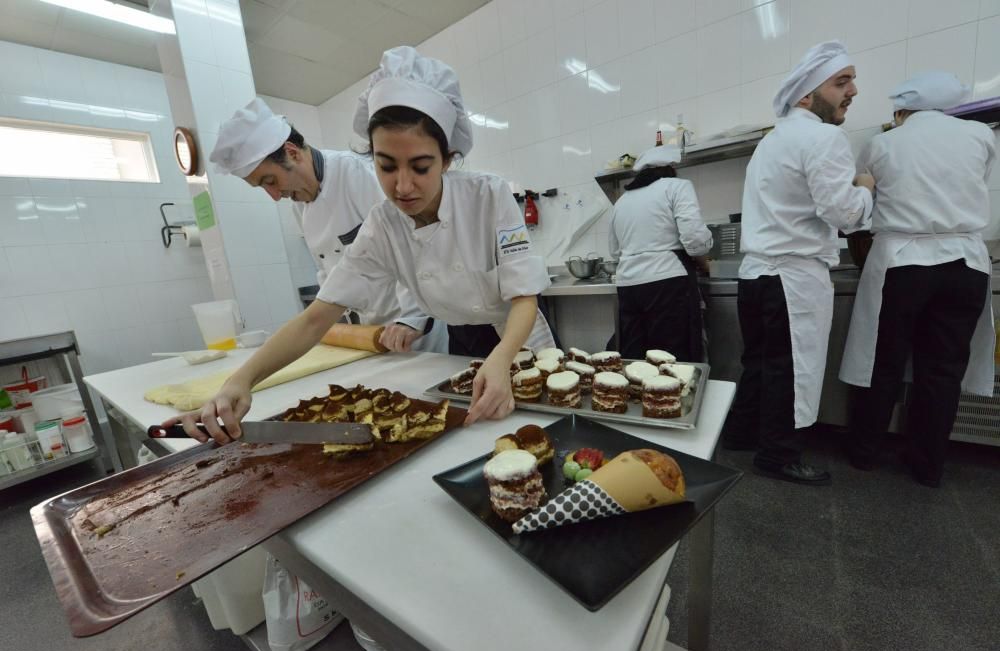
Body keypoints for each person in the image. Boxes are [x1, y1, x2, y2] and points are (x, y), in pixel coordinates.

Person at [168, 46, 555, 440]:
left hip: (515, 337)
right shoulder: (383, 225)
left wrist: (502, 359)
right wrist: (241, 380)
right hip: (460, 338)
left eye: (421, 167)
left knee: (535, 434)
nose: (402, 187)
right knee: (474, 438)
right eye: (386, 166)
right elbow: (316, 318)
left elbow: (524, 296)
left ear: (448, 160)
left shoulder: (487, 195)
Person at [722, 41, 874, 485]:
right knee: (792, 370)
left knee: (760, 365)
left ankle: (741, 435)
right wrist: (865, 188)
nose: (853, 91)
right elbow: (843, 214)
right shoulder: (824, 137)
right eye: (841, 82)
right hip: (791, 278)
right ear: (807, 95)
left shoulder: (771, 142)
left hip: (755, 276)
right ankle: (777, 455)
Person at [839, 72, 996, 487]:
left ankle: (864, 453)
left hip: (904, 264)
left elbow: (862, 201)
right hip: (965, 265)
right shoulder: (980, 136)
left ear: (902, 110)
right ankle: (927, 466)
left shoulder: (884, 143)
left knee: (883, 363)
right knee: (942, 370)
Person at [209, 98, 447, 353]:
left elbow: (414, 247)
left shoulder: (357, 175)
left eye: (271, 180)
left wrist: (411, 318)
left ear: (292, 152)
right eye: (263, 187)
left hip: (414, 329)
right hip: (372, 334)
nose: (275, 196)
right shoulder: (300, 205)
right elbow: (329, 273)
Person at [608, 145, 713, 361]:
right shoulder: (677, 186)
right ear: (671, 167)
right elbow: (695, 240)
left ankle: (636, 394)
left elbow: (615, 251)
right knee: (673, 359)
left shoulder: (621, 201)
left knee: (635, 358)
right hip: (668, 284)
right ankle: (675, 395)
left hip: (628, 286)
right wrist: (705, 262)